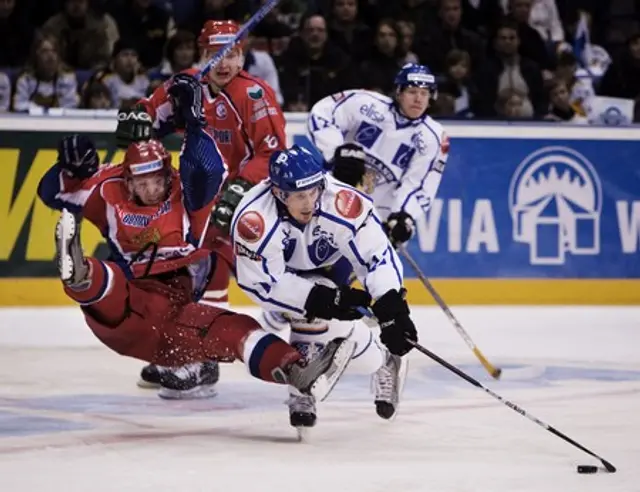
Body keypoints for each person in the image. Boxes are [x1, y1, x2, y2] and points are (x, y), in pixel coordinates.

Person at [37, 74, 354, 405]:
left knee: (232, 327)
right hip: (133, 297)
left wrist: (194, 121)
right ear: (126, 180)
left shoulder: (189, 196)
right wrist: (69, 168)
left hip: (178, 309)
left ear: (169, 174)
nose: (149, 189)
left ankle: (293, 369)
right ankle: (80, 274)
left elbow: (207, 169)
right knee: (110, 285)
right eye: (139, 183)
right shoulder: (107, 187)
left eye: (157, 180)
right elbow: (51, 192)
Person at [115, 20, 287, 394]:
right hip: (193, 193)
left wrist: (237, 191)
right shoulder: (185, 84)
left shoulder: (254, 96)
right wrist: (136, 118)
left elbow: (271, 153)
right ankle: (183, 351)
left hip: (240, 198)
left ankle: (201, 359)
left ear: (243, 55)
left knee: (210, 271)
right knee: (178, 269)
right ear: (201, 54)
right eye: (215, 54)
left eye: (233, 54)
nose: (224, 63)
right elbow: (149, 114)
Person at [231, 145, 419, 431]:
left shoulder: (341, 201)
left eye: (313, 192)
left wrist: (391, 304)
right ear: (279, 194)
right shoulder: (254, 219)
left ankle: (382, 359)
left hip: (335, 263)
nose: (309, 203)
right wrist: (318, 298)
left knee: (322, 316)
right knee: (305, 311)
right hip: (287, 274)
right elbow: (262, 283)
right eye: (299, 196)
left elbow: (376, 254)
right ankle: (305, 386)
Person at [308, 63, 450, 247]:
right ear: (399, 92)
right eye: (412, 91)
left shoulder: (434, 138)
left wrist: (403, 215)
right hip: (331, 198)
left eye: (424, 93)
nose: (418, 99)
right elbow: (322, 114)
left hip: (376, 216)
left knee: (360, 272)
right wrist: (336, 153)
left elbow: (420, 184)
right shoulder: (366, 104)